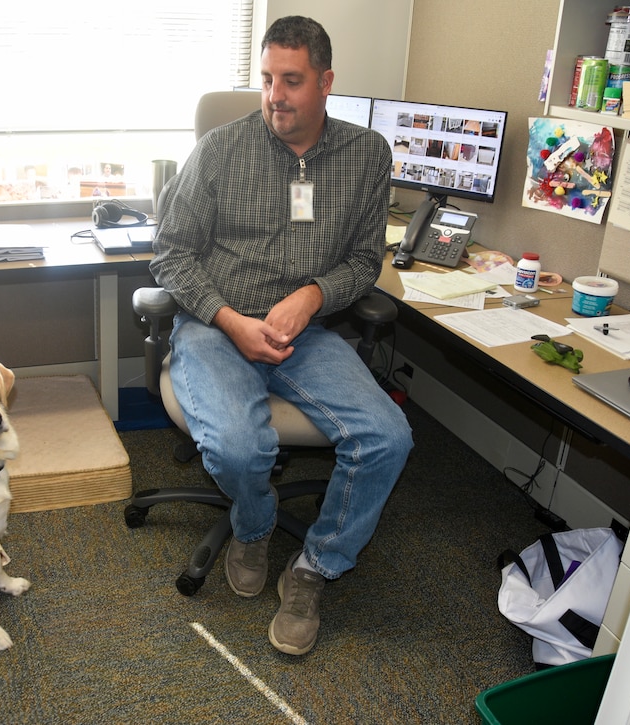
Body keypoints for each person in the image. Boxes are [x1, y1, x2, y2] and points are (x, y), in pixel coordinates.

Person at [149, 15, 413, 656]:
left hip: (305, 334)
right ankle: (255, 524)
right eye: (266, 79)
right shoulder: (220, 150)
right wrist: (230, 320)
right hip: (219, 326)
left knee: (388, 437)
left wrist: (313, 296)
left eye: (291, 81)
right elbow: (171, 255)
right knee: (240, 449)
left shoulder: (366, 156)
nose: (274, 96)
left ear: (325, 82)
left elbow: (361, 262)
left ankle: (315, 566)